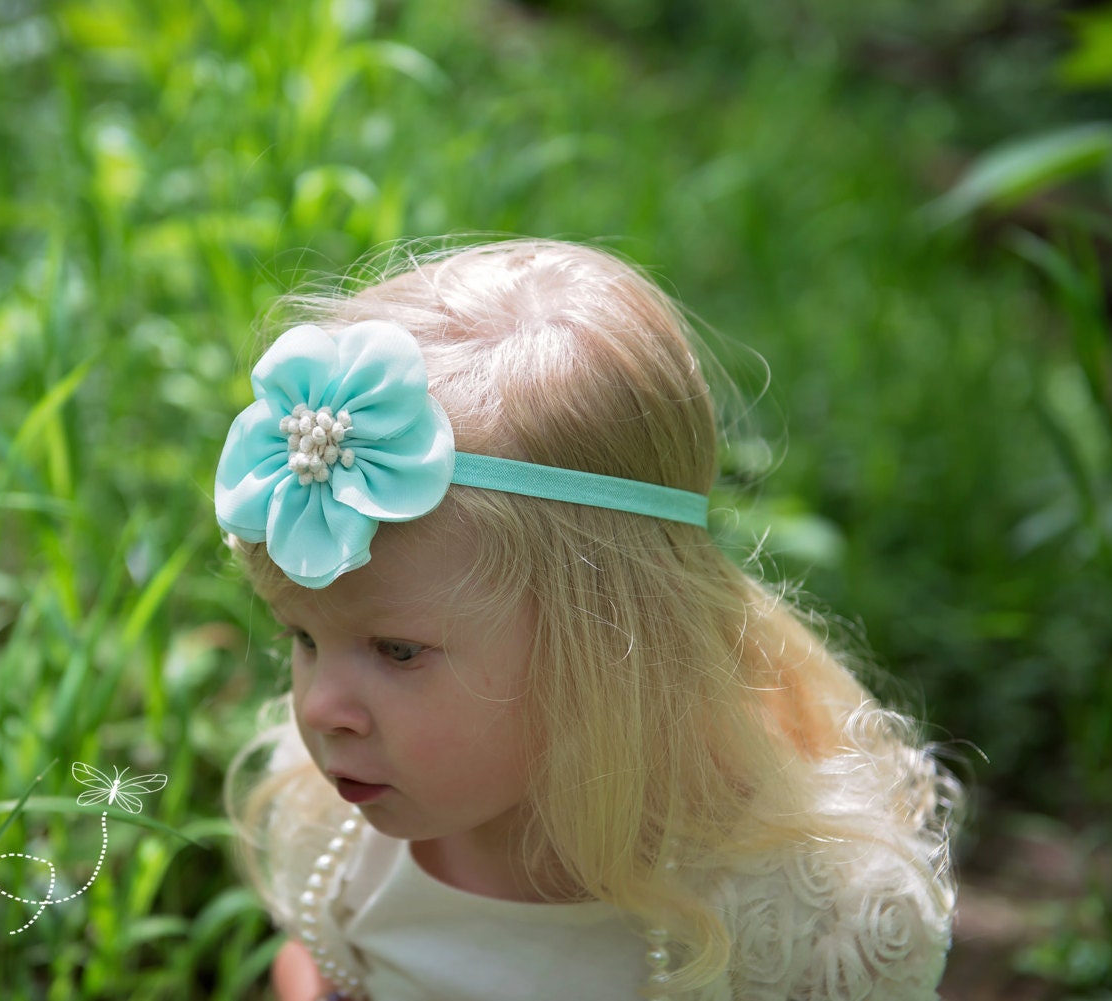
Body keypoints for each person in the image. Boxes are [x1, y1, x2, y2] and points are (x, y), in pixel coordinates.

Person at [215, 239, 961, 1001]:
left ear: (604, 642)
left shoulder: (786, 916)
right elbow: (320, 962)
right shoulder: (335, 834)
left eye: (397, 650)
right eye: (302, 637)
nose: (317, 707)